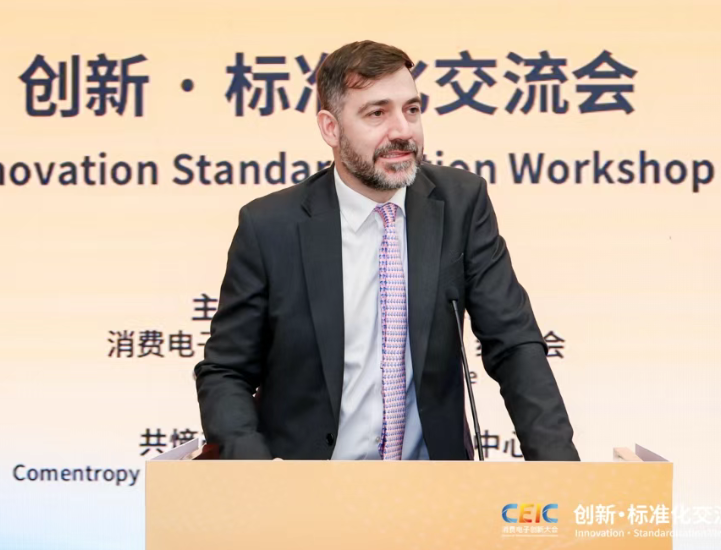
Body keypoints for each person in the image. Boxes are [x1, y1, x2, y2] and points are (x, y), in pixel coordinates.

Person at [194, 40, 579, 461]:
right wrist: (257, 472)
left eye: (411, 110)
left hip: (432, 485)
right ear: (330, 128)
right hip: (306, 485)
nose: (402, 131)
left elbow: (514, 344)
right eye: (377, 113)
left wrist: (559, 472)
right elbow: (226, 371)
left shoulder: (460, 203)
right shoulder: (270, 226)